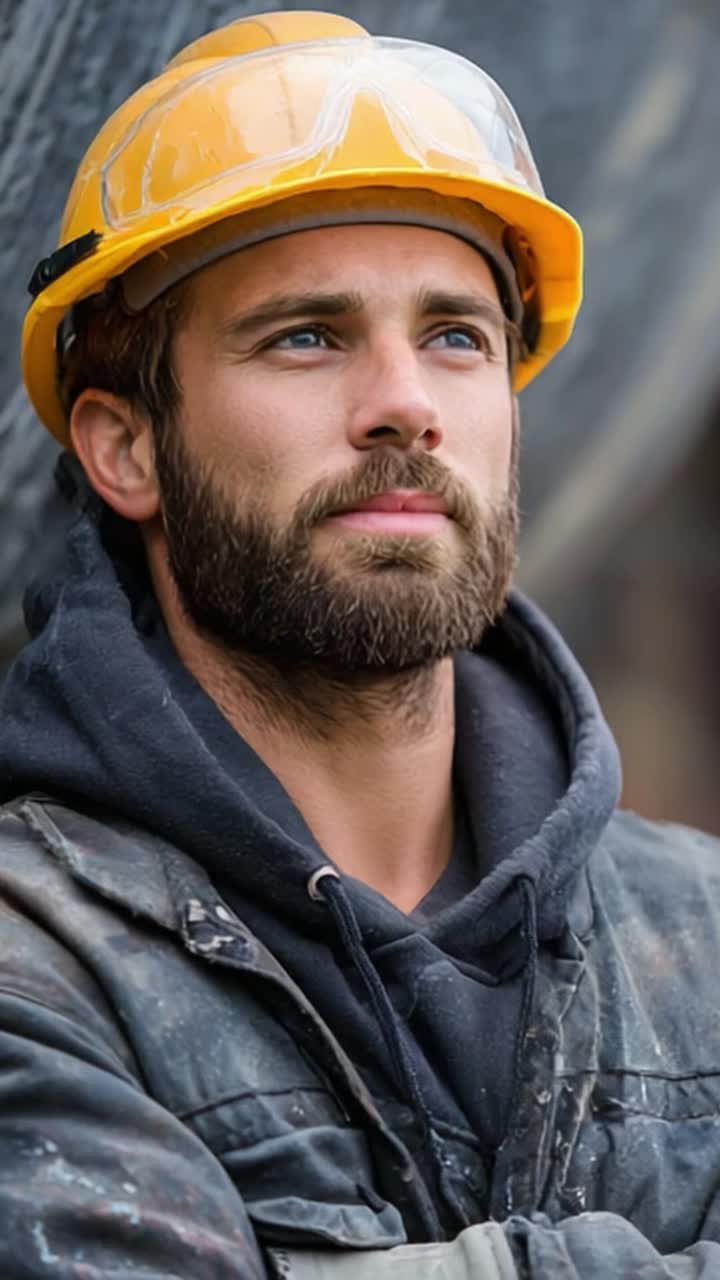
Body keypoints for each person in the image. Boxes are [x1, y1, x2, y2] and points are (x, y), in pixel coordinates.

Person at [1, 9, 718, 1278]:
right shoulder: (36, 967)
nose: (406, 405)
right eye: (307, 335)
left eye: (457, 336)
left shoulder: (704, 932)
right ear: (126, 446)